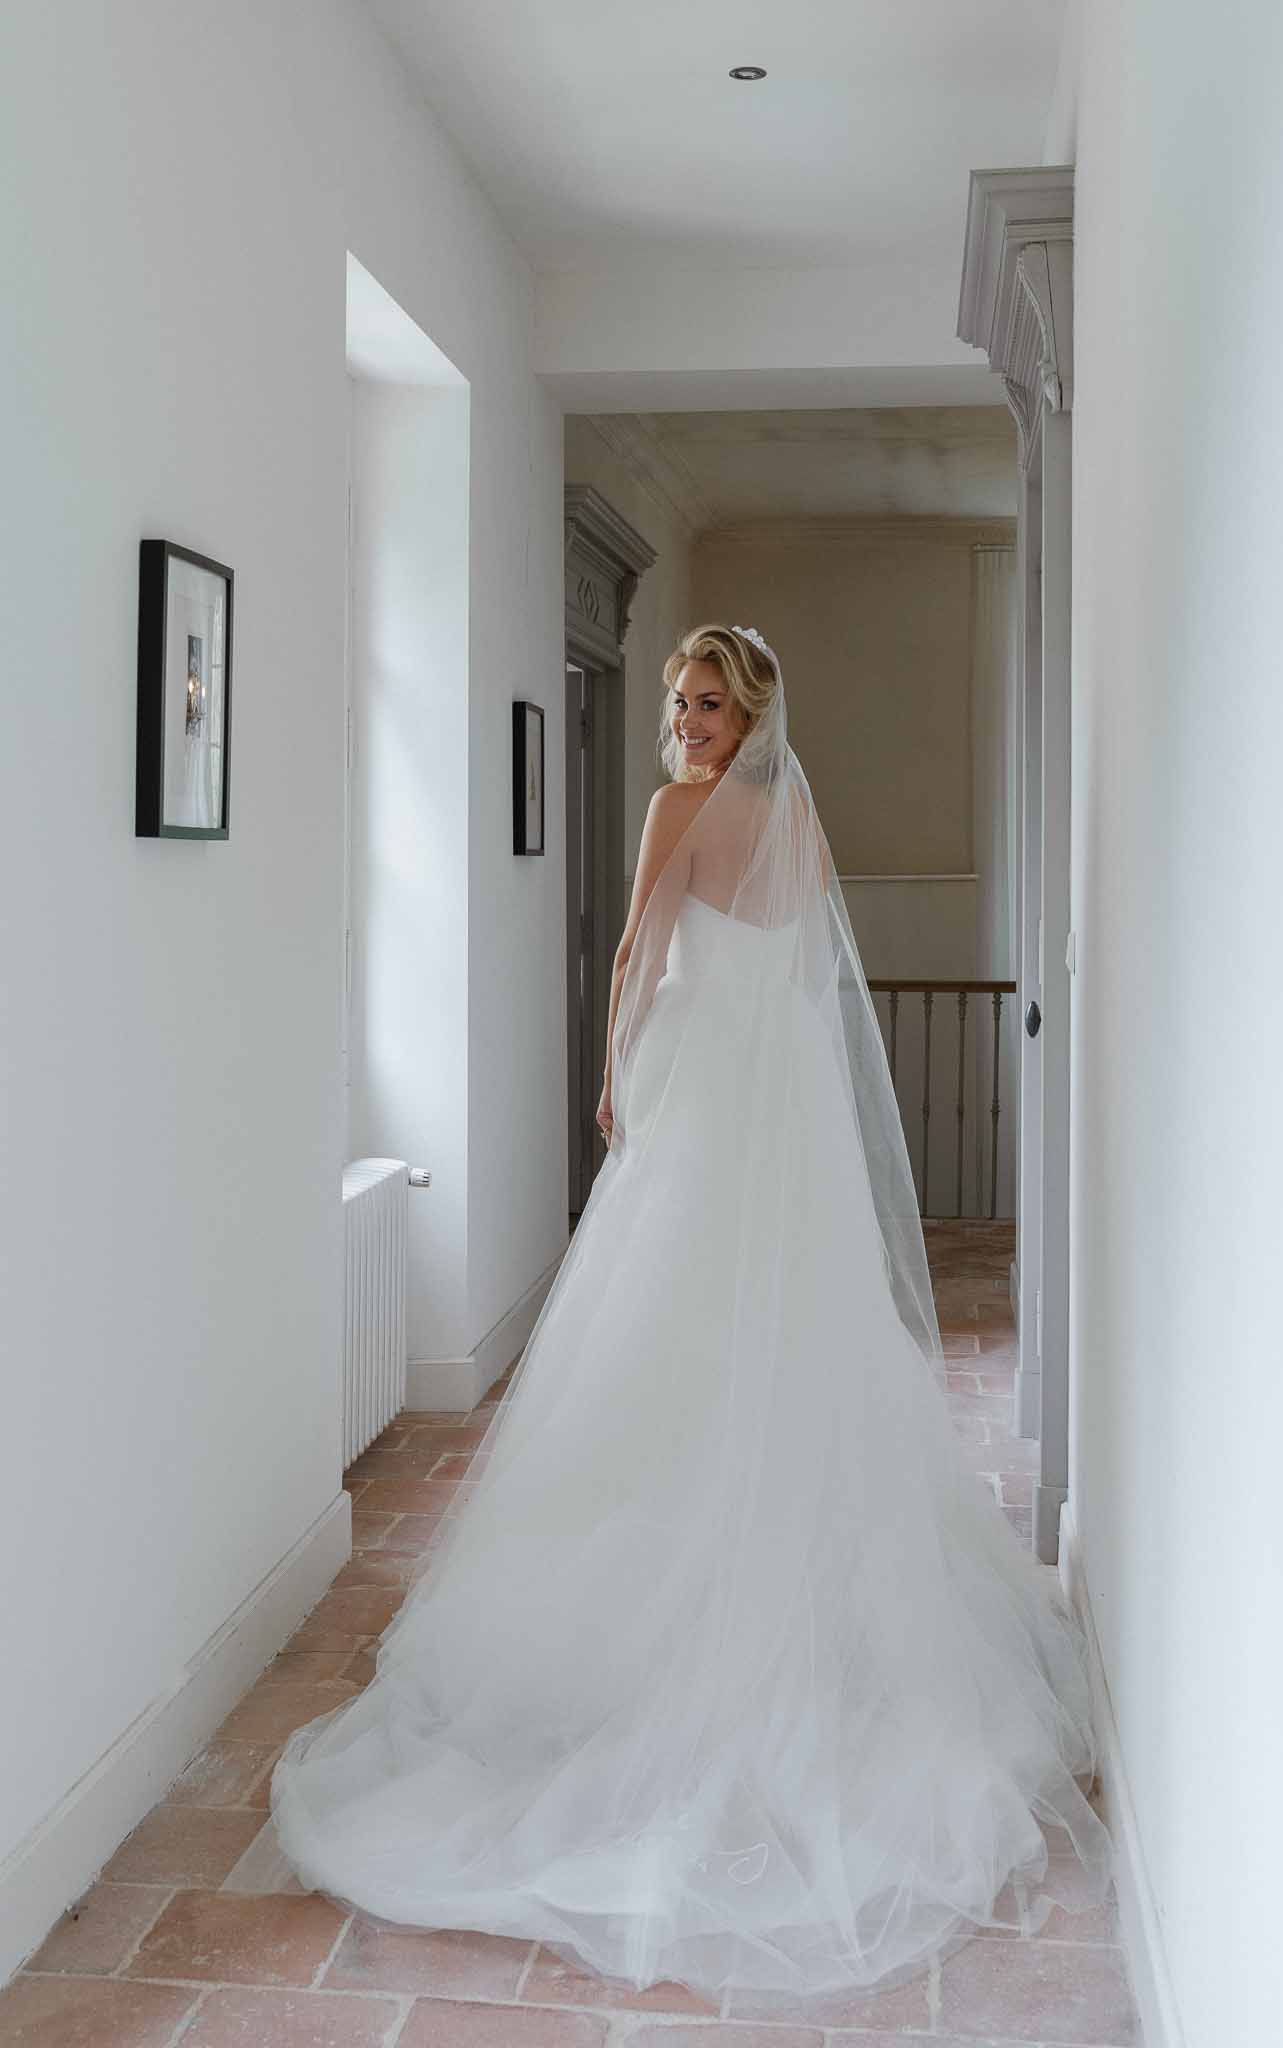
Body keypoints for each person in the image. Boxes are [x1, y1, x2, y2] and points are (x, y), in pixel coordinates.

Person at [270, 623, 1113, 2006]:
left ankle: (677, 1607)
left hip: (707, 1095)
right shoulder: (797, 819)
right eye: (680, 702)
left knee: (665, 1328)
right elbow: (813, 977)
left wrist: (616, 1085)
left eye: (708, 702)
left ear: (749, 708)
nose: (688, 721)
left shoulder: (677, 810)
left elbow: (632, 957)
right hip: (784, 1104)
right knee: (788, 1332)